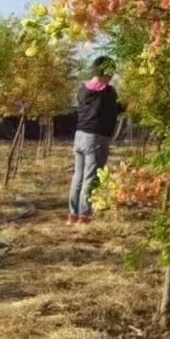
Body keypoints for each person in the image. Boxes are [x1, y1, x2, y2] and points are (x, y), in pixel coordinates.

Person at [69, 56, 124, 225]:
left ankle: (73, 215)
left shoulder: (82, 89)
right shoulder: (108, 91)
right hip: (96, 138)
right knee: (91, 177)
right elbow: (113, 111)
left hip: (79, 136)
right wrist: (126, 105)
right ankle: (84, 216)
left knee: (78, 176)